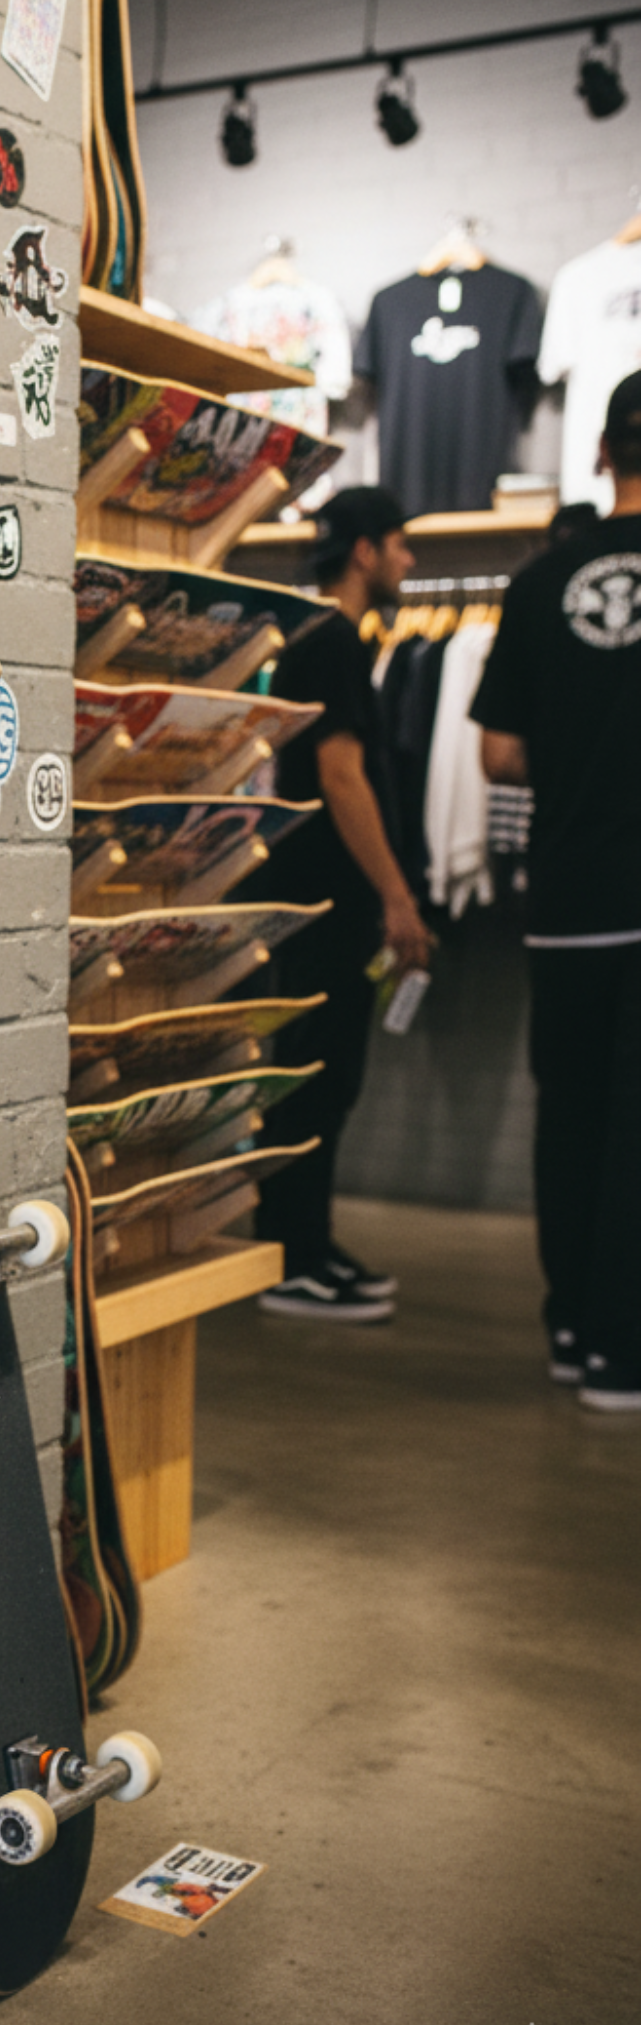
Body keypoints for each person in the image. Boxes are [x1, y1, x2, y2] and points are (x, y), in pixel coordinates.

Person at [470, 370, 641, 1413]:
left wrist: (578, 761)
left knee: (571, 1117)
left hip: (568, 899)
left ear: (604, 452)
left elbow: (496, 755)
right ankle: (626, 1351)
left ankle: (573, 1326)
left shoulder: (538, 583)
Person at [254, 486, 435, 1320]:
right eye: (399, 543)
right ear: (364, 550)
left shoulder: (319, 639)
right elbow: (341, 776)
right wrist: (398, 896)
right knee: (314, 1079)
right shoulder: (333, 644)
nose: (408, 560)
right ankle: (290, 1259)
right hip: (324, 904)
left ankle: (310, 1246)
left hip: (322, 902)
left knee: (327, 1080)